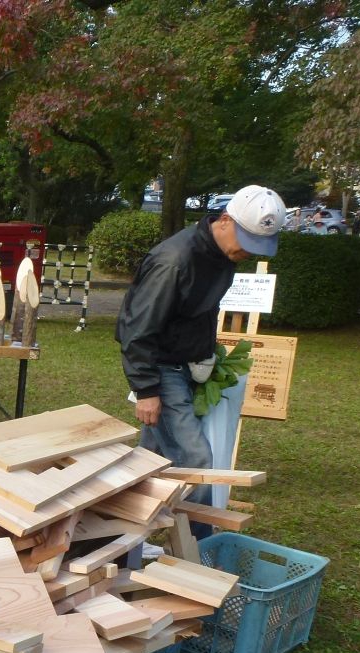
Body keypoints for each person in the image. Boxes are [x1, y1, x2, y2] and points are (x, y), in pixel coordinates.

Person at [116, 184, 285, 531]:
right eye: (246, 243)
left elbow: (199, 311)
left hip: (186, 366)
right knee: (196, 460)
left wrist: (205, 353)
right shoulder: (174, 262)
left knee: (149, 461)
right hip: (161, 368)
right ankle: (197, 558)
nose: (247, 254)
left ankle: (123, 539)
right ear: (225, 221)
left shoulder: (222, 255)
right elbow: (138, 329)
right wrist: (147, 389)